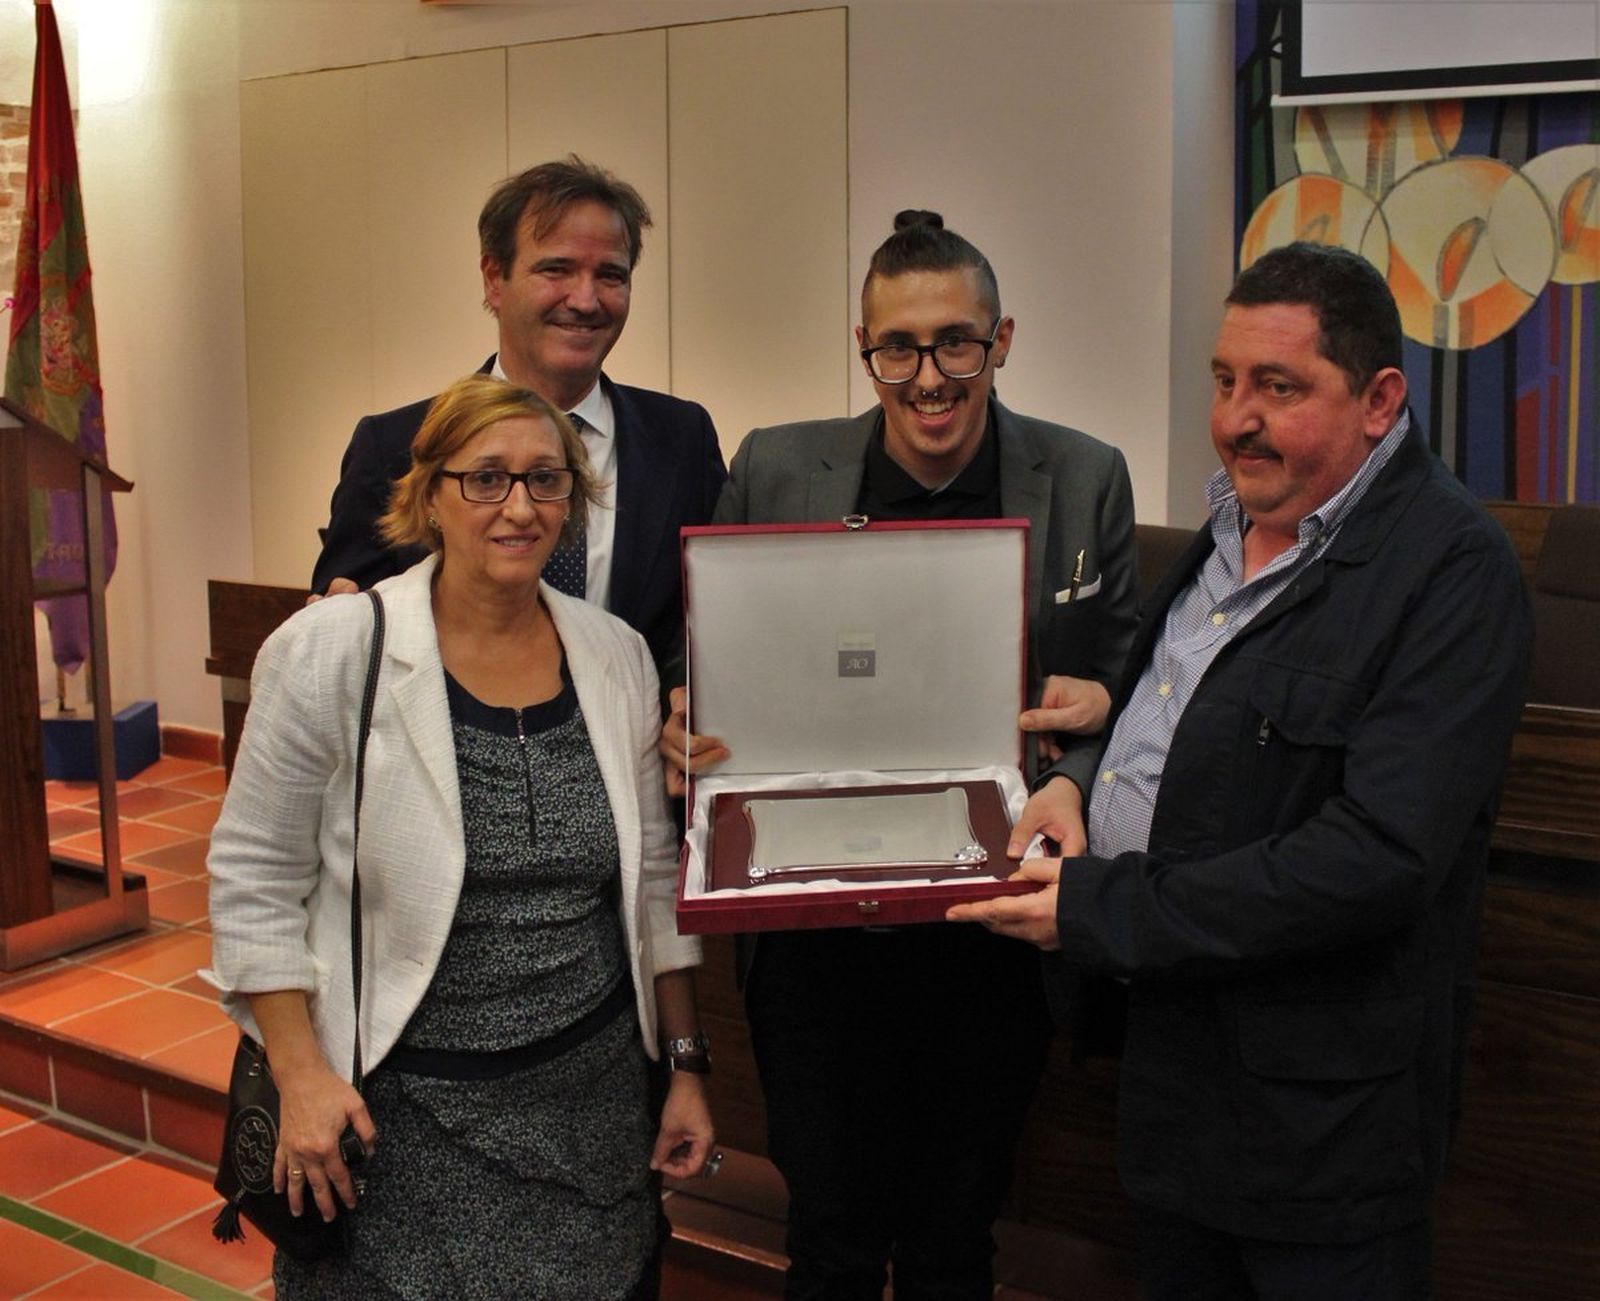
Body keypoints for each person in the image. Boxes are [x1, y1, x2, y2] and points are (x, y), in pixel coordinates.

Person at [949, 242, 1532, 1300]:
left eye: (1277, 386)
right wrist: (1078, 787)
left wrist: (1101, 907)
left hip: (1323, 1135)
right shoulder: (1230, 527)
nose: (1234, 417)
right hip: (1176, 1093)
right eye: (1222, 381)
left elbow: (1378, 855)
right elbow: (1166, 720)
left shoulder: (1453, 572)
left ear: (1377, 398)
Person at [668, 211, 1139, 1300]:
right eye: (898, 347)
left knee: (951, 1233)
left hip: (988, 935)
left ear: (1001, 339)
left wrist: (1088, 728)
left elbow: (1129, 691)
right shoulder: (777, 468)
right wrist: (689, 702)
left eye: (955, 343)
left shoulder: (1083, 475)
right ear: (864, 346)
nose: (927, 377)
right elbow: (705, 651)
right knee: (826, 1231)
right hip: (813, 933)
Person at [206, 374, 715, 1299]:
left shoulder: (615, 655)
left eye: (546, 479)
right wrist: (301, 1074)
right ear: (430, 497)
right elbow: (252, 879)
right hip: (399, 1127)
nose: (520, 506)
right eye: (486, 478)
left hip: (590, 1120)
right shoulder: (331, 650)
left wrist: (683, 1065)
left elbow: (649, 879)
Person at [311, 155, 726, 676]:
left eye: (611, 275)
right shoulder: (395, 446)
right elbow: (347, 626)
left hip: (630, 748)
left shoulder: (682, 438)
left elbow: (707, 620)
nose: (585, 299)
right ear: (493, 279)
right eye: (556, 269)